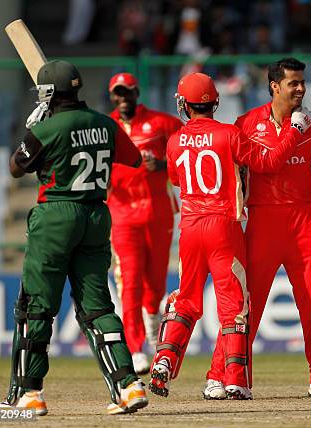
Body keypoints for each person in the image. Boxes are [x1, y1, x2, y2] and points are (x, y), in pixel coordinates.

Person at [148, 72, 311, 400]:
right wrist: (295, 129)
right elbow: (269, 162)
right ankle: (236, 380)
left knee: (186, 299)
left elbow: (177, 181)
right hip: (223, 227)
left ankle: (165, 360)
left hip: (190, 227)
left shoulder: (173, 140)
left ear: (185, 104)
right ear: (215, 102)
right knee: (234, 305)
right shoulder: (229, 134)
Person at [0, 60, 147, 415]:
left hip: (55, 216)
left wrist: (32, 130)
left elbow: (16, 167)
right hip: (96, 215)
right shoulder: (105, 122)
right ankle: (128, 386)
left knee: (36, 307)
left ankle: (28, 393)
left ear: (49, 93)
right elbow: (136, 159)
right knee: (97, 307)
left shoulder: (48, 128)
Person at [206, 57, 311, 399]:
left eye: (302, 82)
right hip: (262, 221)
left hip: (304, 219)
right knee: (244, 305)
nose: (300, 89)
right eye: (293, 83)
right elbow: (235, 172)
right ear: (275, 86)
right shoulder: (246, 123)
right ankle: (224, 375)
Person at [107, 72, 183, 374]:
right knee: (130, 282)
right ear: (113, 96)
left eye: (128, 92)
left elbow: (188, 149)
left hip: (158, 212)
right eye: (118, 93)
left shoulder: (162, 123)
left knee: (155, 285)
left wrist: (164, 164)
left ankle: (152, 331)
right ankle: (136, 346)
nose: (123, 98)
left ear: (137, 93)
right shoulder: (106, 126)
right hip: (122, 215)